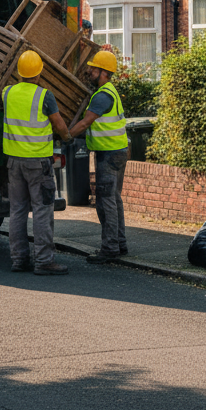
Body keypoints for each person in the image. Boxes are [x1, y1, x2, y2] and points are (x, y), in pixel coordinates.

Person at [3, 50, 72, 276]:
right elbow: (60, 125)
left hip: (14, 163)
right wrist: (68, 137)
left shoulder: (7, 92)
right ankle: (43, 261)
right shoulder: (45, 96)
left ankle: (18, 260)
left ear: (19, 72)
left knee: (18, 211)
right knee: (42, 211)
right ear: (40, 73)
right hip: (38, 163)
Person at [68, 50, 128, 264]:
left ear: (103, 72)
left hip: (109, 155)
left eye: (94, 69)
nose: (90, 71)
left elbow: (85, 123)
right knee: (115, 199)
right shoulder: (110, 91)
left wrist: (65, 136)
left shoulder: (102, 96)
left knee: (105, 202)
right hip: (118, 151)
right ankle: (120, 243)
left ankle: (110, 249)